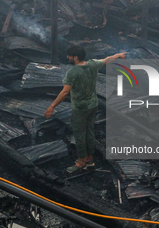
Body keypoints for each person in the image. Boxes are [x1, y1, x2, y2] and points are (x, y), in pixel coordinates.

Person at [44, 45, 127, 173]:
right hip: (93, 105)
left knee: (80, 135)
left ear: (75, 57)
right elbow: (107, 59)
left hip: (80, 109)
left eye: (69, 56)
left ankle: (81, 162)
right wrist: (119, 55)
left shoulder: (73, 72)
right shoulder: (93, 64)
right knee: (90, 132)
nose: (67, 57)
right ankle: (90, 159)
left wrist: (52, 106)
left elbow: (65, 92)